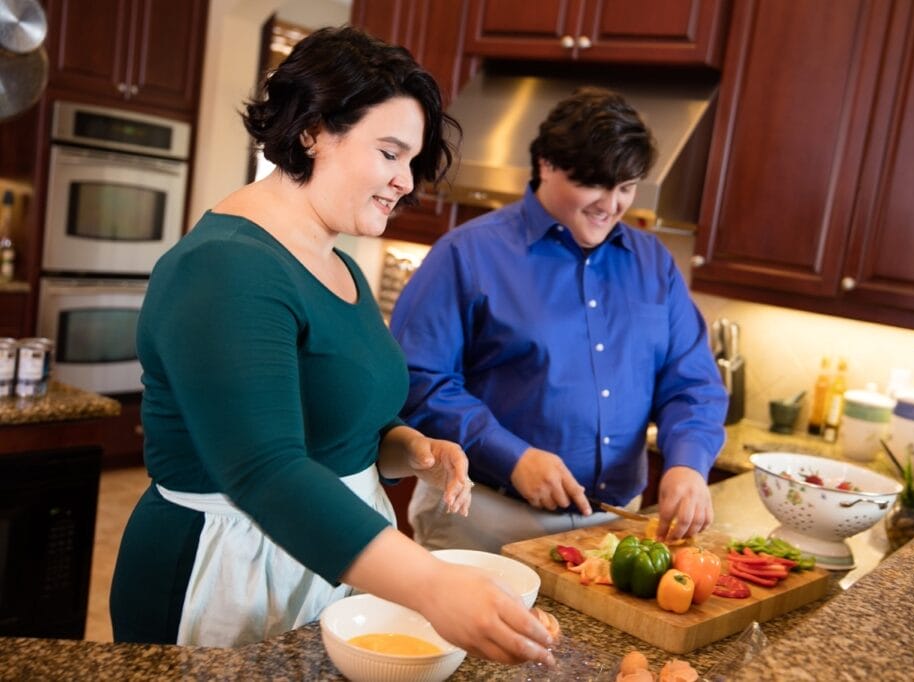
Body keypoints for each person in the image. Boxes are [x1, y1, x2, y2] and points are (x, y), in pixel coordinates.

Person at [109, 26, 555, 666]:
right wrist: (431, 584)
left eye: (411, 160)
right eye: (390, 152)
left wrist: (410, 450)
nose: (405, 181)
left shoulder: (336, 263)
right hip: (227, 573)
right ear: (313, 130)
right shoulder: (224, 267)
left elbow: (341, 426)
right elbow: (267, 469)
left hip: (329, 560)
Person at [390, 87, 728, 553]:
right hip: (485, 518)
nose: (611, 204)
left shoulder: (654, 263)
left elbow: (692, 384)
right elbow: (417, 380)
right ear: (546, 164)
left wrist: (688, 463)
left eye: (627, 187)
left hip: (614, 526)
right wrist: (513, 457)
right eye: (595, 184)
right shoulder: (467, 253)